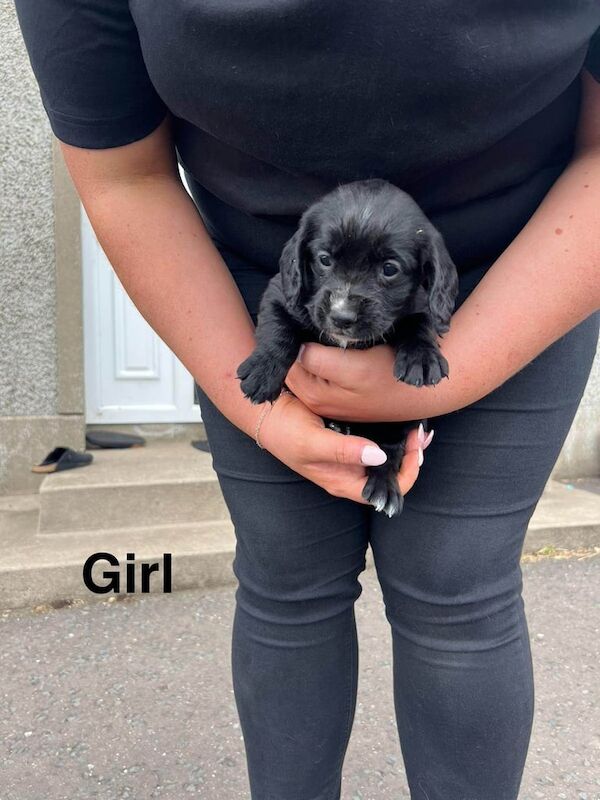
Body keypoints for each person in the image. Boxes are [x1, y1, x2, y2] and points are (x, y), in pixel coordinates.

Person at [14, 2, 600, 798]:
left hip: (524, 265)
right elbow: (126, 176)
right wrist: (258, 401)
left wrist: (448, 371)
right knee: (289, 581)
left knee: (454, 583)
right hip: (270, 296)